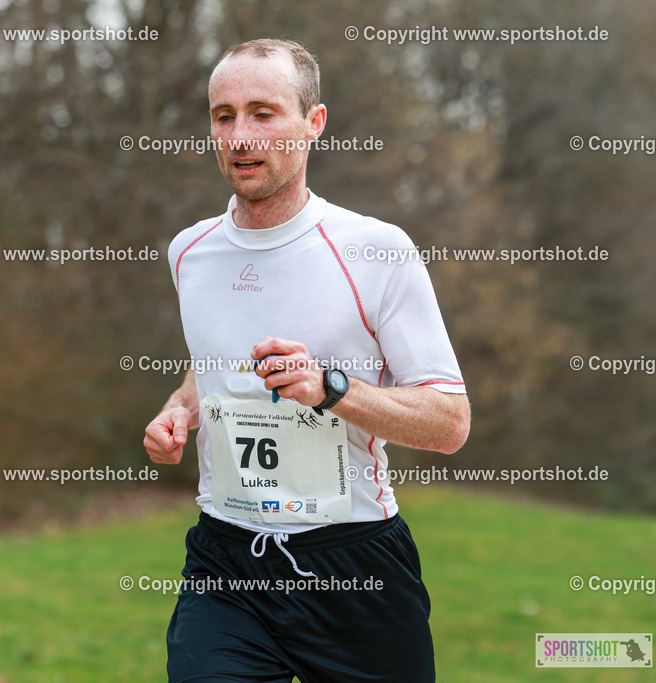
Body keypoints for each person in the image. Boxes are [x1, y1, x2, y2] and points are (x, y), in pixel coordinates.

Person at [143, 38, 471, 682]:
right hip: (226, 560)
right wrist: (178, 412)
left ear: (313, 123)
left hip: (355, 565)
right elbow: (209, 367)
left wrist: (331, 387)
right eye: (223, 115)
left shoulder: (377, 250)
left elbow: (448, 421)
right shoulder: (190, 252)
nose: (239, 135)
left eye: (263, 113)